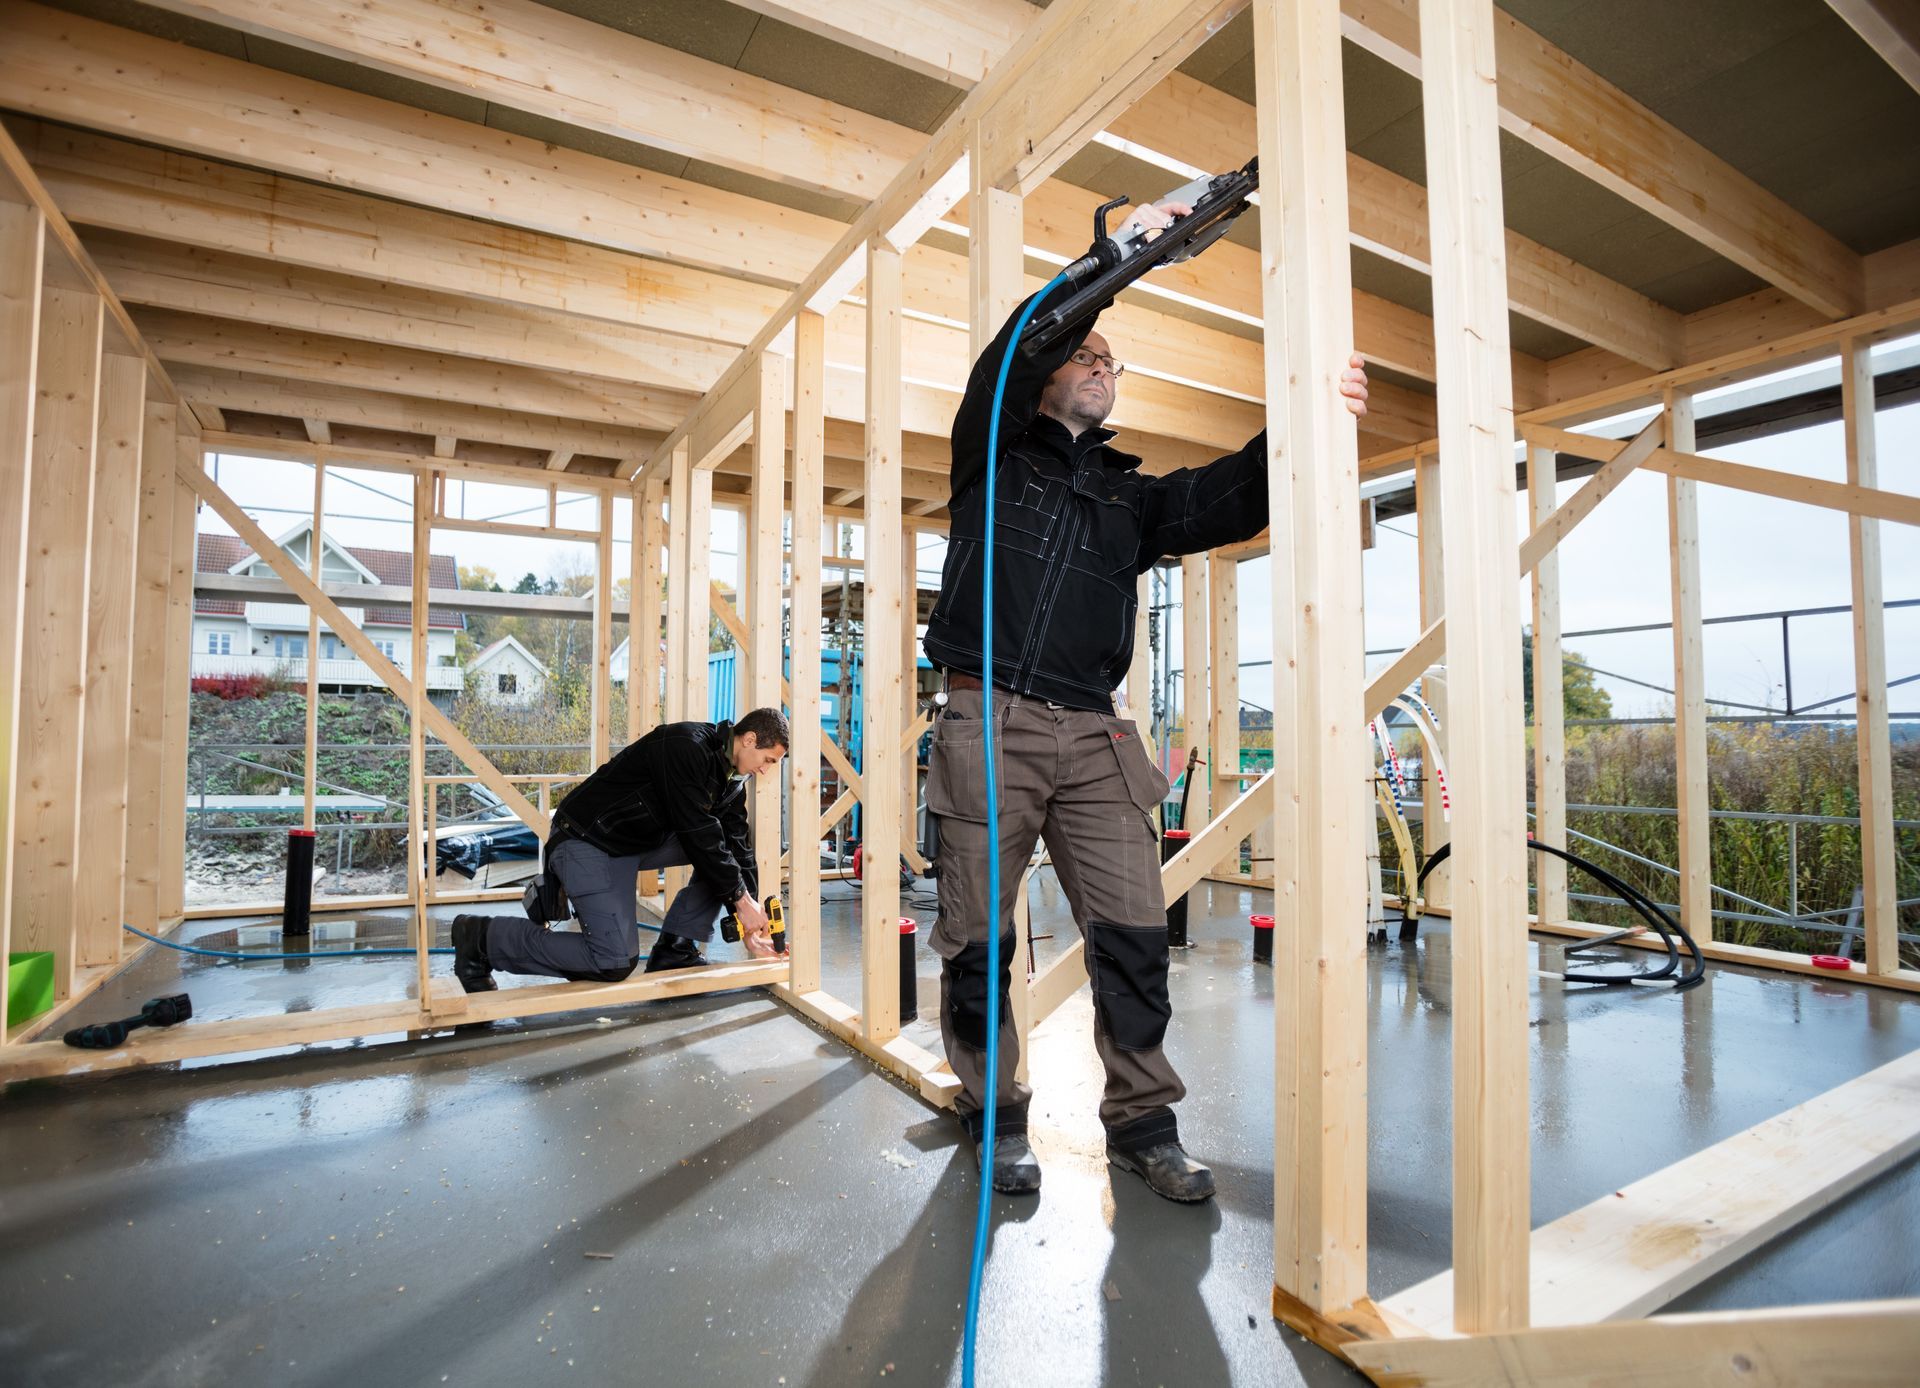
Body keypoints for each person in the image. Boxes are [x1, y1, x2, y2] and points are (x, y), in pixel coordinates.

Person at [920, 198, 1369, 1201]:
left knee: (1132, 930)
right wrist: (1117, 260)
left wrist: (1314, 415)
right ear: (1049, 374)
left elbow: (1239, 492)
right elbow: (1010, 352)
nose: (1101, 363)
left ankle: (1143, 1122)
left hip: (1093, 729)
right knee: (978, 937)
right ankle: (994, 1111)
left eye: (1113, 360)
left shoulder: (1134, 497)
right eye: (1088, 351)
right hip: (986, 718)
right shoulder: (989, 449)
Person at [449, 708, 789, 991]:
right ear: (749, 740)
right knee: (613, 961)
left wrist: (749, 925)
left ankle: (676, 948)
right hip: (588, 840)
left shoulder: (730, 781)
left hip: (633, 842)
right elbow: (697, 831)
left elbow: (739, 851)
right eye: (768, 759)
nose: (765, 769)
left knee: (723, 849)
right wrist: (741, 902)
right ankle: (482, 937)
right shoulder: (686, 746)